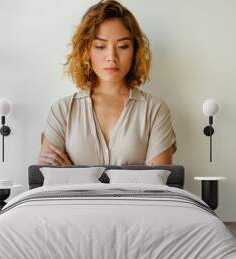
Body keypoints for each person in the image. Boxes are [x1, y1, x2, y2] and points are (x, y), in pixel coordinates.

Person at [38, 0, 176, 166]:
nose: (112, 57)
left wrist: (71, 172)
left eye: (123, 46)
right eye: (100, 46)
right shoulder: (62, 111)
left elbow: (157, 186)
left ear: (135, 51)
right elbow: (48, 182)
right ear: (86, 51)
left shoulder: (155, 110)